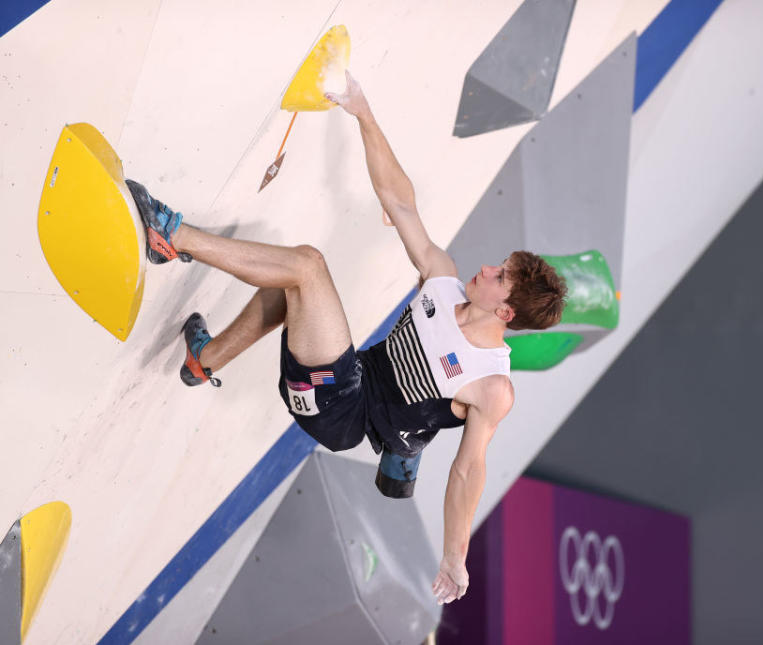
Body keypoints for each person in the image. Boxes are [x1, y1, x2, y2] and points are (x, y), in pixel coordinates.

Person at [127, 70, 566, 605]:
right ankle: (203, 360)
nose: (488, 267)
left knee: (308, 267)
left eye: (501, 275)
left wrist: (455, 554)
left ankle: (171, 237)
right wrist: (363, 111)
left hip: (342, 414)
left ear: (507, 308)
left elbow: (468, 470)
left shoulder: (491, 384)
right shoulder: (444, 279)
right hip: (341, 376)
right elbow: (400, 201)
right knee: (288, 283)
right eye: (500, 263)